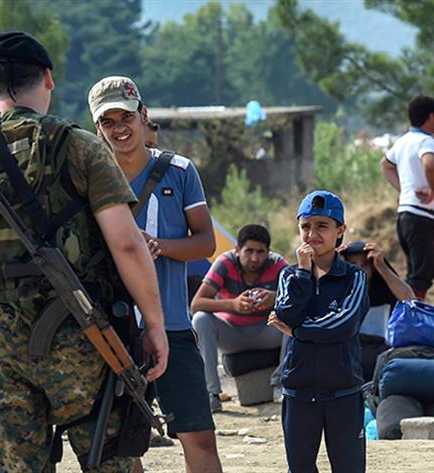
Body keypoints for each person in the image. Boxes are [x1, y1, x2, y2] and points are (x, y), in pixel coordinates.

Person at [0, 32, 168, 472]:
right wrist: (154, 325)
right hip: (84, 334)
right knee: (110, 458)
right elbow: (127, 243)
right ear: (48, 78)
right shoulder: (81, 146)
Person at [89, 75, 222, 473]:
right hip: (111, 330)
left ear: (143, 116)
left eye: (125, 117)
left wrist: (159, 245)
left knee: (197, 435)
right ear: (97, 128)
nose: (119, 128)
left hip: (174, 326)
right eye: (108, 121)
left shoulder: (180, 171)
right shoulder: (87, 177)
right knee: (119, 446)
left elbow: (206, 243)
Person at [268, 190, 368, 473]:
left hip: (343, 392)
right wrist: (303, 272)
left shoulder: (354, 276)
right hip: (299, 393)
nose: (312, 234)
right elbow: (286, 313)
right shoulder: (289, 275)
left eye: (322, 226)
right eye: (305, 226)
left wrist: (298, 331)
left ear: (340, 231)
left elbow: (343, 324)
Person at [191, 224, 288, 412]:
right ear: (237, 250)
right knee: (201, 319)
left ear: (268, 252)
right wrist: (233, 305)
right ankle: (211, 394)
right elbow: (196, 303)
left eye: (260, 252)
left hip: (267, 331)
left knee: (295, 317)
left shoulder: (277, 265)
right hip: (232, 332)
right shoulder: (225, 263)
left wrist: (275, 298)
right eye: (249, 251)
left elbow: (302, 298)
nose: (254, 258)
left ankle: (282, 384)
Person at [380, 95, 434, 300]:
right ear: (430, 117)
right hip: (423, 217)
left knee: (413, 275)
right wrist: (433, 191)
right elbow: (430, 164)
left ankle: (410, 319)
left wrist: (404, 189)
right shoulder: (425, 141)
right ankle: (412, 320)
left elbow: (385, 164)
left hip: (406, 216)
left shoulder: (403, 141)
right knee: (420, 279)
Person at [339, 241, 416, 379]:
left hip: (380, 357)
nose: (359, 270)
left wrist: (382, 266)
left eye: (364, 265)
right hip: (347, 359)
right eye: (352, 265)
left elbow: (409, 299)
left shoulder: (383, 288)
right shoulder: (337, 290)